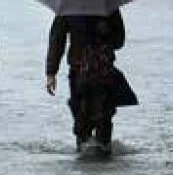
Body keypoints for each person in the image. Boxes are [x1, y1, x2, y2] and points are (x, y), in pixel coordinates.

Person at [45, 11, 129, 154]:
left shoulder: (108, 8)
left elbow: (119, 40)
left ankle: (102, 150)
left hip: (103, 71)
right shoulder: (69, 8)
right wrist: (51, 72)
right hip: (80, 71)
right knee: (81, 118)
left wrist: (105, 32)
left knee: (104, 118)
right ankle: (85, 152)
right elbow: (57, 39)